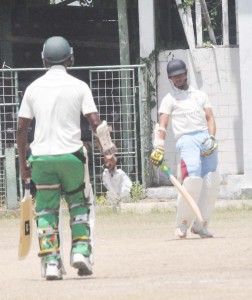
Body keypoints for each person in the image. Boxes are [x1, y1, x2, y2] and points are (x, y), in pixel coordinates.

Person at [17, 36, 117, 280]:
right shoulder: (79, 86)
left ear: (43, 61)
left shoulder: (33, 88)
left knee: (46, 211)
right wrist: (108, 152)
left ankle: (51, 262)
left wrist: (23, 164)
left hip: (42, 160)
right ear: (70, 58)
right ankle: (81, 252)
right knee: (79, 206)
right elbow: (95, 123)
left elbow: (21, 129)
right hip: (72, 158)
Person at [150, 58, 219, 239]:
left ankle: (201, 225)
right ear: (170, 78)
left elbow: (210, 118)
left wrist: (212, 138)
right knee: (193, 180)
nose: (179, 79)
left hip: (204, 136)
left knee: (212, 180)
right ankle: (182, 224)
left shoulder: (199, 95)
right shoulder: (168, 99)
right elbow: (163, 125)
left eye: (180, 75)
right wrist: (159, 147)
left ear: (186, 73)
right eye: (174, 77)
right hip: (186, 139)